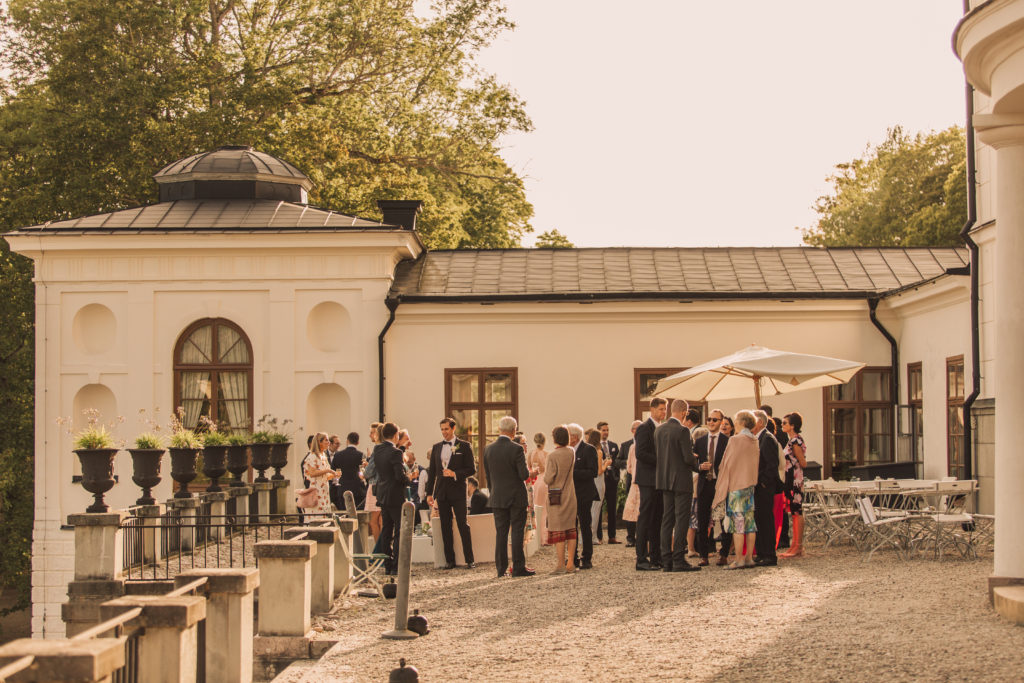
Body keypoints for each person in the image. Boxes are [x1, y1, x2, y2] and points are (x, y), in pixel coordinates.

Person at [484, 416, 534, 578]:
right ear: (514, 431)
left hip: (497, 496)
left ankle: (500, 568)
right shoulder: (517, 449)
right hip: (516, 496)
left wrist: (493, 492)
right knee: (517, 531)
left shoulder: (488, 449)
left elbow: (488, 476)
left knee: (501, 533)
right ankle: (518, 567)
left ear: (500, 430)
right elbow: (523, 474)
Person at [654, 399, 700, 572]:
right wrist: (696, 462)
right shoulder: (682, 431)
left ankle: (666, 560)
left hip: (664, 479)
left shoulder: (659, 430)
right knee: (681, 520)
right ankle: (679, 559)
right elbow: (687, 458)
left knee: (667, 520)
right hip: (680, 480)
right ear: (684, 413)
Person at [711, 410, 760, 569]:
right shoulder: (754, 440)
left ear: (742, 422)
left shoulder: (735, 440)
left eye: (737, 420)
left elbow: (727, 463)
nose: (735, 422)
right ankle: (749, 558)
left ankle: (739, 559)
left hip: (736, 487)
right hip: (749, 486)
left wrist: (721, 484)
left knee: (738, 525)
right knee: (750, 524)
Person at [426, 417, 476, 570]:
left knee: (462, 524)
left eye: (446, 429)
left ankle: (469, 559)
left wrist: (454, 473)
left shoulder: (465, 446)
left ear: (453, 429)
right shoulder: (436, 447)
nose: (444, 432)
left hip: (458, 491)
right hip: (441, 492)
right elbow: (432, 472)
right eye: (442, 429)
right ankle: (450, 560)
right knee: (445, 526)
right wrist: (430, 493)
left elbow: (471, 469)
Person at [373, 422, 411, 575]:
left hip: (382, 494)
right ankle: (396, 566)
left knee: (386, 531)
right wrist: (409, 478)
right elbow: (399, 476)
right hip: (395, 495)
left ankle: (387, 565)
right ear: (396, 435)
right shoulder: (395, 452)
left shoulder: (377, 449)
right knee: (399, 530)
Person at [634, 398, 666, 571]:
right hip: (647, 478)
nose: (663, 412)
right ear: (652, 410)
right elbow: (640, 453)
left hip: (659, 479)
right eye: (661, 409)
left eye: (665, 409)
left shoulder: (662, 427)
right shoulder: (644, 428)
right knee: (645, 517)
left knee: (657, 518)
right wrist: (662, 460)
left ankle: (656, 556)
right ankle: (641, 558)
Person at [694, 409, 728, 566]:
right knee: (702, 520)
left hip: (719, 484)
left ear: (721, 421)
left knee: (723, 519)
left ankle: (724, 553)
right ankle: (703, 554)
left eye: (715, 420)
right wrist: (700, 466)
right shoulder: (700, 441)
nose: (711, 422)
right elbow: (692, 461)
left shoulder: (727, 441)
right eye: (709, 419)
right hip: (704, 483)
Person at [543, 425, 578, 574]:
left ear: (555, 439)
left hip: (556, 497)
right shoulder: (572, 452)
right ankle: (570, 563)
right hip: (571, 495)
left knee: (558, 531)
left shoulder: (552, 456)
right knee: (571, 530)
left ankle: (560, 565)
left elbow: (548, 479)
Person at [753, 410, 781, 567]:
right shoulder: (759, 438)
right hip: (758, 486)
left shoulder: (768, 438)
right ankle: (761, 552)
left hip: (764, 487)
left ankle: (769, 554)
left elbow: (771, 464)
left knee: (766, 520)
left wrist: (763, 482)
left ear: (761, 423)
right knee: (759, 519)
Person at [568, 423, 598, 569]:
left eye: (568, 435)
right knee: (572, 525)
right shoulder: (567, 451)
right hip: (570, 494)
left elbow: (593, 471)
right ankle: (573, 557)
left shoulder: (588, 449)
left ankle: (587, 557)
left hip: (585, 493)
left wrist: (573, 473)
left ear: (574, 436)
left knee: (585, 524)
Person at [780, 412, 807, 558]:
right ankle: (794, 545)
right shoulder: (792, 440)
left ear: (792, 426)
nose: (782, 425)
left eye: (784, 423)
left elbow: (803, 462)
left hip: (795, 479)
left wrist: (792, 464)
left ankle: (798, 546)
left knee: (797, 511)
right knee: (794, 512)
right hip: (791, 479)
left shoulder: (795, 441)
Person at [686, 426, 709, 559]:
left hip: (693, 494)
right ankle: (691, 548)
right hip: (695, 494)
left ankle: (692, 548)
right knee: (694, 524)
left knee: (693, 523)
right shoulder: (695, 456)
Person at [302, 432, 339, 516]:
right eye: (326, 440)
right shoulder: (312, 456)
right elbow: (312, 473)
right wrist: (328, 471)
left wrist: (334, 475)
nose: (329, 443)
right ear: (319, 442)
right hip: (316, 490)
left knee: (324, 514)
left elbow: (325, 476)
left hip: (324, 491)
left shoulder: (323, 456)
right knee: (316, 514)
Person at [596, 421, 621, 544]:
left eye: (607, 430)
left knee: (612, 508)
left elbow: (618, 462)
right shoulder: (595, 447)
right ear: (598, 431)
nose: (606, 432)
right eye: (603, 430)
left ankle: (612, 536)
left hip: (611, 480)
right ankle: (599, 536)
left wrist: (616, 477)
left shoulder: (614, 445)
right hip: (601, 479)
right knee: (599, 508)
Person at [619, 420, 642, 546]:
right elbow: (620, 462)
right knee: (631, 509)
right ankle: (630, 537)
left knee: (639, 509)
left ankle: (641, 537)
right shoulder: (628, 445)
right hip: (632, 481)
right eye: (637, 428)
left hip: (640, 481)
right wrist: (630, 464)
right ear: (632, 430)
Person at [331, 432, 367, 510]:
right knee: (358, 514)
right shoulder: (361, 455)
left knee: (344, 513)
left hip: (342, 488)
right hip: (358, 489)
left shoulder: (338, 455)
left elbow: (333, 473)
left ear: (347, 441)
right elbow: (365, 471)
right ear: (358, 442)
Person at [586, 428, 607, 545]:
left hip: (591, 481)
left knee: (592, 509)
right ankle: (592, 536)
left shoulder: (588, 450)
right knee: (595, 510)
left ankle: (588, 536)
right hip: (598, 482)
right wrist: (606, 464)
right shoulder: (598, 451)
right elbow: (599, 471)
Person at [528, 432, 549, 543]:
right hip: (544, 482)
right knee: (544, 510)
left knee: (535, 509)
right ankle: (544, 537)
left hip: (534, 482)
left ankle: (536, 537)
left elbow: (529, 468)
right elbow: (549, 469)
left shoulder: (531, 454)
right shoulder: (547, 454)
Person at [363, 422, 382, 540]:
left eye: (371, 432)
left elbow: (368, 472)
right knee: (381, 521)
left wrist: (364, 471)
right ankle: (384, 548)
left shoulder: (377, 449)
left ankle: (378, 550)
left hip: (375, 486)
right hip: (384, 487)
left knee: (373, 521)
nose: (370, 435)